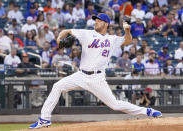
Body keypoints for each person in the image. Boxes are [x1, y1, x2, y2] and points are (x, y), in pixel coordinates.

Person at [29, 13, 162, 129]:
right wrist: (59, 39)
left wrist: (127, 30)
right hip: (81, 75)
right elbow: (67, 31)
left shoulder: (112, 39)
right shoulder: (87, 33)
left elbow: (128, 41)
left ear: (106, 23)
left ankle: (147, 111)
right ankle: (44, 119)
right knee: (57, 86)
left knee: (115, 105)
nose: (95, 22)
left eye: (98, 20)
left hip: (97, 78)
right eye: (95, 20)